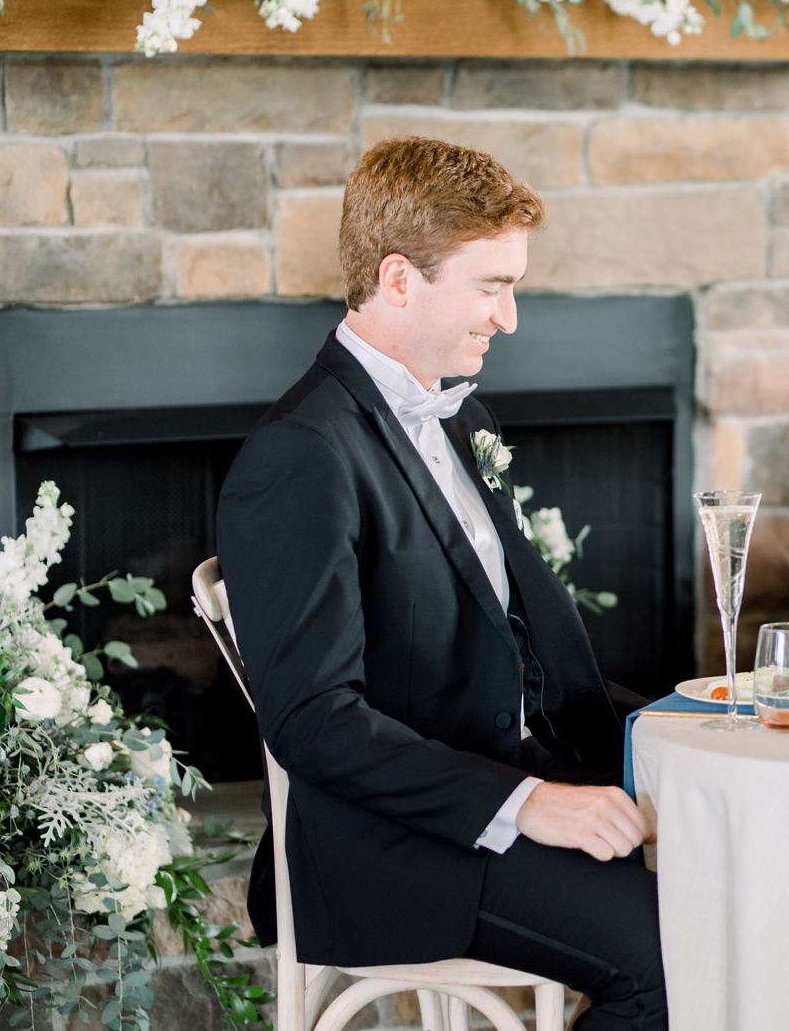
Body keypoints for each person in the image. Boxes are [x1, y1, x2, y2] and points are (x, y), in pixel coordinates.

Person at [216, 137, 667, 1030]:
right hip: (394, 848)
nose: (509, 319)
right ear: (397, 279)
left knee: (747, 897)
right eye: (491, 287)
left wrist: (679, 726)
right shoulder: (301, 457)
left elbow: (522, 651)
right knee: (671, 959)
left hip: (503, 780)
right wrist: (528, 805)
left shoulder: (462, 415)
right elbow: (312, 721)